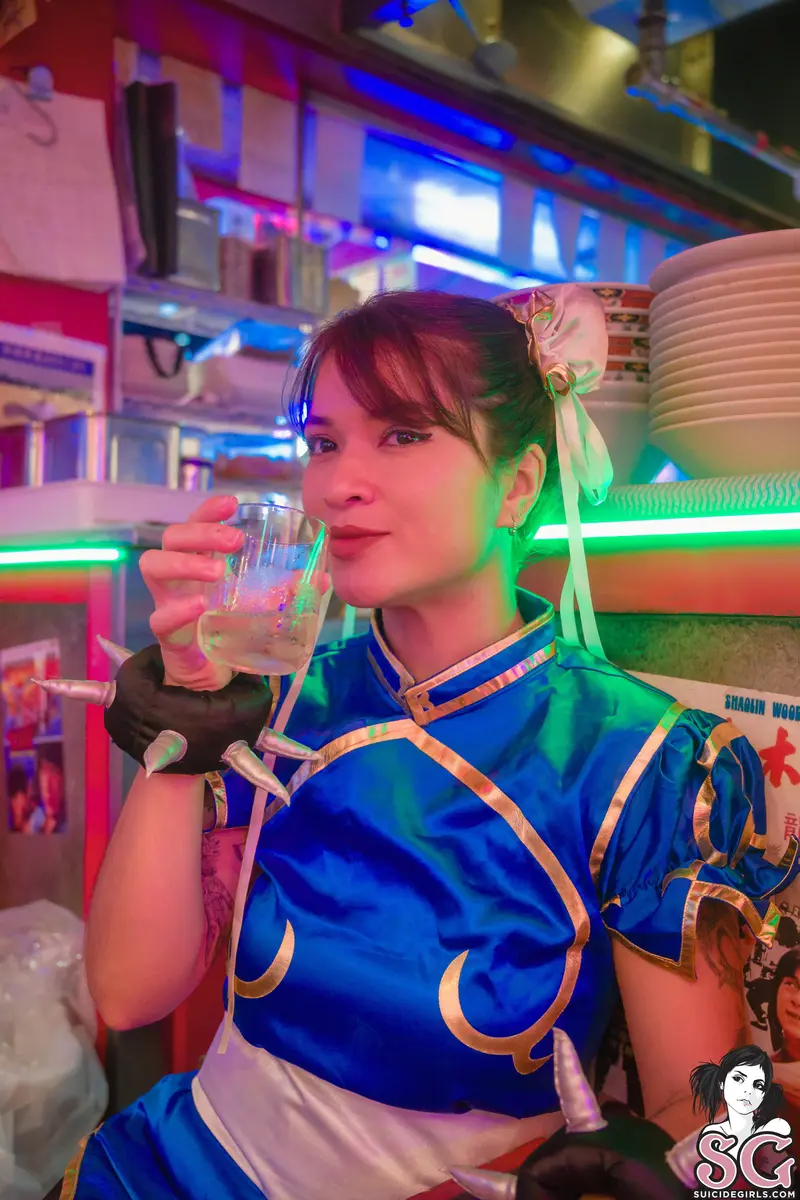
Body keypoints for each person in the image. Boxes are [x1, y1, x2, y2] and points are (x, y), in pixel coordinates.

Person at [58, 288, 798, 1199]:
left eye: (403, 434)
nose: (336, 485)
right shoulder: (281, 700)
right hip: (169, 1169)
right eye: (323, 443)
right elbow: (129, 994)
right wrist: (187, 718)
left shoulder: (642, 761)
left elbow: (709, 1115)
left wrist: (665, 1174)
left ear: (517, 486)